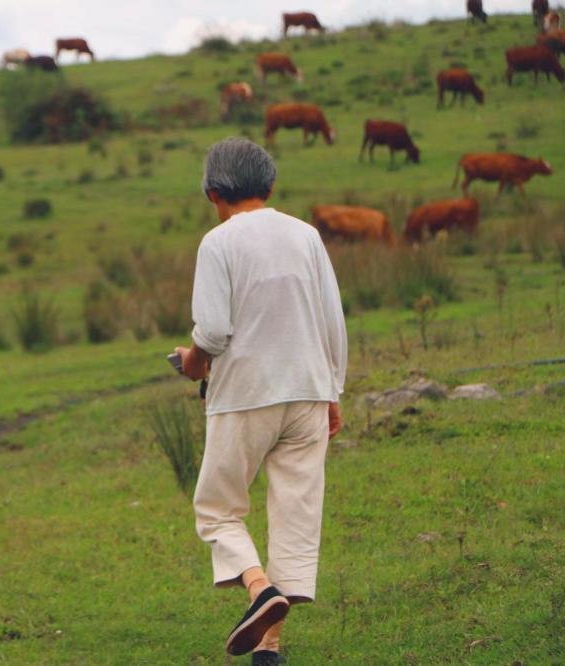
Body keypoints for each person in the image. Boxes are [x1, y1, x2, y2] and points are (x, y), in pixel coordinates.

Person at [175, 137, 347, 663]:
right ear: (271, 186)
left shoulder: (218, 242)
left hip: (246, 395)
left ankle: (258, 589)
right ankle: (270, 646)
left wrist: (191, 362)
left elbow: (216, 332)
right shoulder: (306, 235)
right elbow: (331, 320)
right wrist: (333, 392)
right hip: (309, 391)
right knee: (294, 511)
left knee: (218, 509)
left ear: (211, 193)